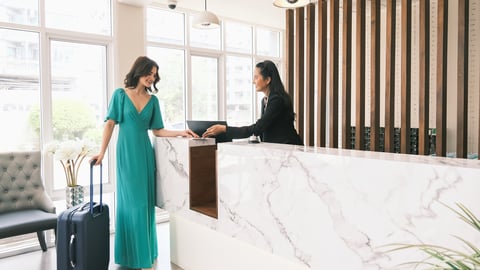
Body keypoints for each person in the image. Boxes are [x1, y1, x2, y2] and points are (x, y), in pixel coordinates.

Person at [91, 56, 198, 270]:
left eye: (154, 74)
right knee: (131, 204)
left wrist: (180, 133)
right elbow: (110, 124)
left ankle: (144, 253)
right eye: (149, 73)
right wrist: (101, 153)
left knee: (143, 205)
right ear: (138, 71)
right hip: (126, 155)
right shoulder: (120, 95)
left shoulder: (153, 101)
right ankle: (132, 255)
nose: (151, 77)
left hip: (144, 155)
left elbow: (157, 130)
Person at [202, 60, 303, 145]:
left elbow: (259, 128)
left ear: (267, 80)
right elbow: (263, 129)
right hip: (277, 150)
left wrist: (225, 129)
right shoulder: (265, 100)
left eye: (256, 77)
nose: (253, 82)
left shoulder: (277, 99)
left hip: (289, 149)